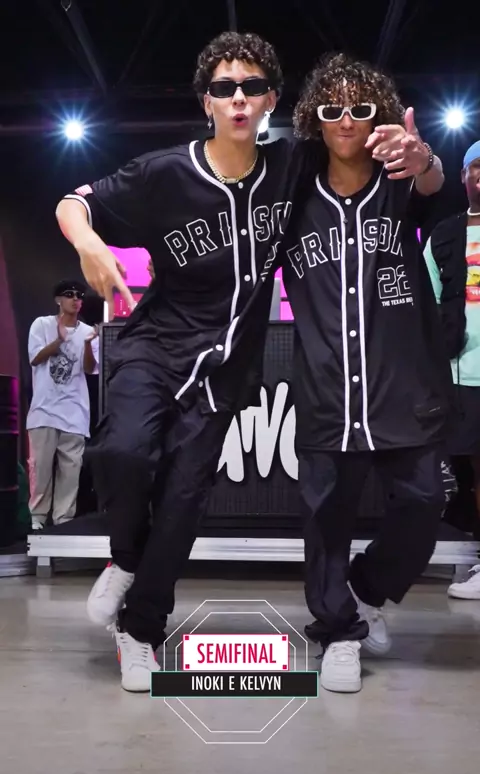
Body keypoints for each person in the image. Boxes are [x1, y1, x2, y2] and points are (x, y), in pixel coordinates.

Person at [55, 31, 319, 692]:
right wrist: (89, 244)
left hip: (225, 366)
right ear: (207, 102)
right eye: (224, 88)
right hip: (154, 344)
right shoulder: (164, 173)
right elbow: (73, 202)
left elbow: (359, 154)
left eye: (252, 87)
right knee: (122, 452)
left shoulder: (292, 165)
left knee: (182, 501)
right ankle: (125, 558)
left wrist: (421, 162)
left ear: (271, 100)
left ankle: (142, 629)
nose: (238, 99)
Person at [281, 53, 452, 693]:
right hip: (327, 389)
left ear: (378, 112)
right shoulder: (293, 193)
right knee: (326, 520)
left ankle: (366, 590)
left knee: (425, 502)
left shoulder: (401, 180)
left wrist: (425, 158)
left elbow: (437, 187)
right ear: (315, 119)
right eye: (332, 108)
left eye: (359, 106)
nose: (346, 119)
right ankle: (337, 633)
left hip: (398, 387)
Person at [424, 140, 480, 601]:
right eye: (476, 167)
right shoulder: (444, 234)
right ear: (463, 177)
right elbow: (424, 302)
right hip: (460, 372)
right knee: (466, 472)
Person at [27, 280, 99, 530]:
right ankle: (37, 518)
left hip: (75, 412)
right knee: (40, 468)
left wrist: (88, 344)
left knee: (71, 471)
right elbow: (35, 359)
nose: (76, 299)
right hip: (44, 411)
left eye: (79, 295)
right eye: (69, 295)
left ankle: (63, 520)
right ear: (58, 300)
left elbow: (90, 369)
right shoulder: (42, 324)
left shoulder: (88, 332)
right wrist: (59, 340)